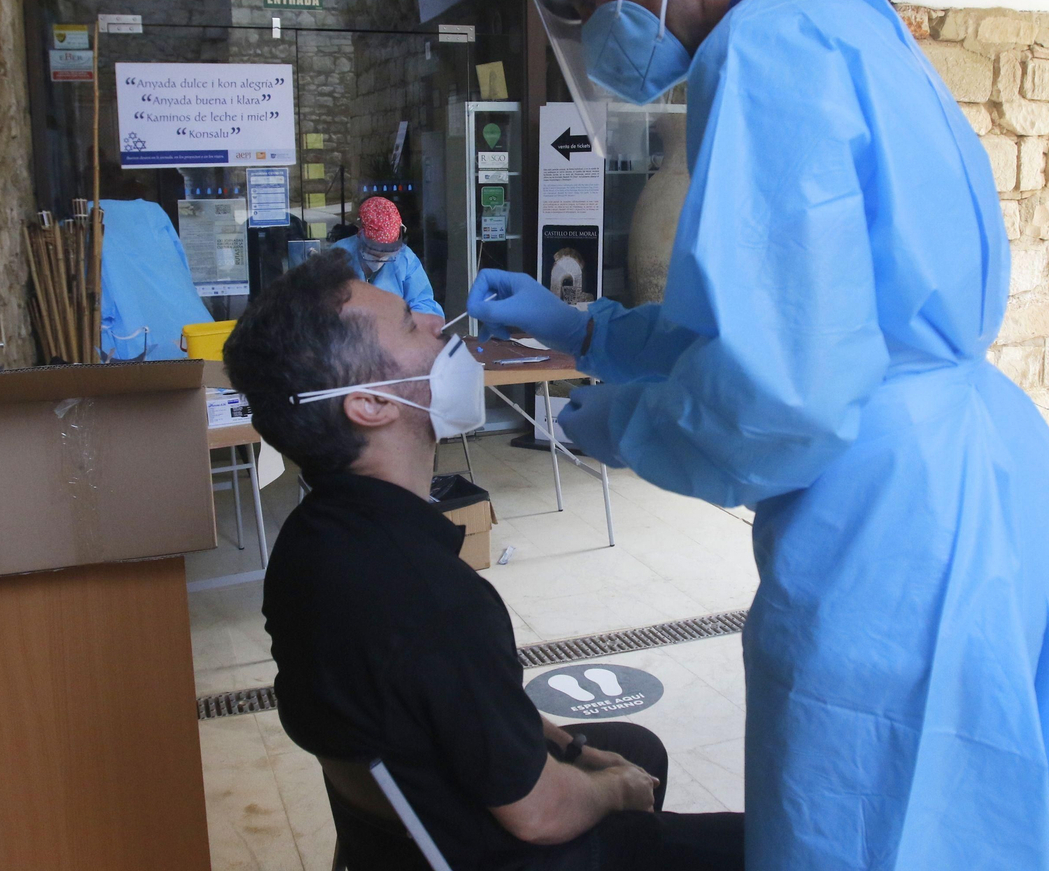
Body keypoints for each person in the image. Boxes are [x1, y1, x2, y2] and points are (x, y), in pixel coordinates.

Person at [469, 0, 1049, 871]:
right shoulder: (850, 24)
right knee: (1008, 811)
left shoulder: (764, 55)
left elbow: (786, 390)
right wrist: (587, 331)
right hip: (989, 472)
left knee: (879, 819)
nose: (597, 21)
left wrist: (631, 426)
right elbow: (778, 315)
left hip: (894, 531)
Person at [221, 250, 744, 871]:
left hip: (405, 837)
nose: (436, 322)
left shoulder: (311, 542)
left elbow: (463, 699)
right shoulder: (434, 599)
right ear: (369, 404)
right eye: (410, 325)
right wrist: (614, 790)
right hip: (502, 852)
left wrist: (573, 747)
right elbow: (541, 815)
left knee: (631, 744)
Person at [332, 195, 443, 319]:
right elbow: (320, 302)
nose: (380, 259)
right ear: (360, 232)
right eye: (374, 253)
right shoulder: (339, 255)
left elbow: (423, 303)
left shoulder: (405, 259)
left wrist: (410, 324)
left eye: (386, 254)